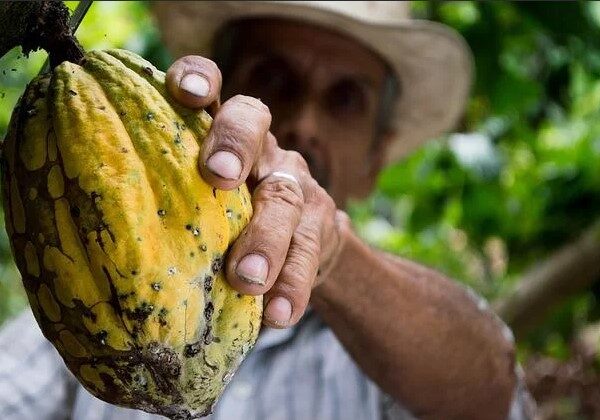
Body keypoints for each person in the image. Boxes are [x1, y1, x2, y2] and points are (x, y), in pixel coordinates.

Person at [0, 2, 535, 419]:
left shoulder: (394, 352)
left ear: (376, 158)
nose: (304, 122)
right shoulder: (86, 295)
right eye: (275, 78)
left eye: (346, 99)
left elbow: (489, 392)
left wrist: (333, 255)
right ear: (213, 95)